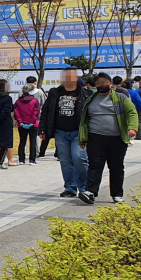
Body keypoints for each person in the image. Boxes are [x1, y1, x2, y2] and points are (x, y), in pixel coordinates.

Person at [79, 73, 138, 205]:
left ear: (110, 83)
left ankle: (117, 194)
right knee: (95, 165)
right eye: (98, 85)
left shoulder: (121, 98)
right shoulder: (91, 99)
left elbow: (132, 112)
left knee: (116, 167)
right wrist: (82, 139)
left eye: (104, 83)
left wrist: (132, 128)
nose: (101, 87)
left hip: (116, 138)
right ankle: (90, 192)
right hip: (95, 138)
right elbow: (84, 120)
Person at [42, 68, 89, 198]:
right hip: (60, 132)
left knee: (79, 158)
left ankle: (84, 188)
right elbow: (46, 111)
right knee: (65, 161)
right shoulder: (55, 93)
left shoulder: (85, 93)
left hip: (78, 133)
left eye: (71, 76)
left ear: (76, 78)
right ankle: (70, 188)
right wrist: (43, 129)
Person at [14, 84, 41, 165]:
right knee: (33, 141)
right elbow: (36, 112)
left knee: (22, 141)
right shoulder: (35, 101)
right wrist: (31, 122)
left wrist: (21, 122)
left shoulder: (18, 101)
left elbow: (16, 113)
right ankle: (32, 160)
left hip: (21, 125)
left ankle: (21, 160)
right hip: (33, 124)